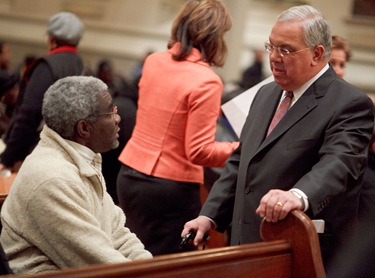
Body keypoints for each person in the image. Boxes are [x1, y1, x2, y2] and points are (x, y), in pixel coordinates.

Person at [182, 4, 374, 271]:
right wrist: (209, 216)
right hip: (245, 245)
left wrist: (298, 195)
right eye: (271, 46)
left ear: (317, 54)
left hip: (296, 250)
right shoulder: (265, 94)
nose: (274, 57)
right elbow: (241, 161)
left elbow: (339, 163)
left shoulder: (349, 103)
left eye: (286, 49)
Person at [116, 0, 239, 256]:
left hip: (129, 176)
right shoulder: (207, 81)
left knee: (131, 258)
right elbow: (199, 151)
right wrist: (241, 147)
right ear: (214, 37)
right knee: (167, 266)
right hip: (169, 189)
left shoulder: (153, 61)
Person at [0, 76, 152, 274]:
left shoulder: (80, 160)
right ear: (84, 128)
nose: (118, 118)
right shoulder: (52, 179)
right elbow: (97, 261)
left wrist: (149, 267)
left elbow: (118, 233)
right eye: (110, 112)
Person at [0, 11, 85, 172]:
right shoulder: (79, 64)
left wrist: (8, 158)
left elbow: (29, 114)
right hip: (63, 151)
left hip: (33, 152)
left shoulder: (47, 66)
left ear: (51, 39)